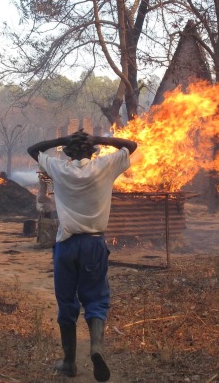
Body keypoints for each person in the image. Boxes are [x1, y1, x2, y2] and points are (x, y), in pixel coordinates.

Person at [27, 129, 137, 381]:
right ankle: (96, 347)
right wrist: (99, 139)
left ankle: (68, 363)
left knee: (67, 301)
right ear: (93, 151)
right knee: (96, 298)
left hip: (66, 245)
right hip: (94, 244)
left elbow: (33, 150)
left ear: (68, 153)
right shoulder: (104, 166)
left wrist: (61, 140)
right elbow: (130, 145)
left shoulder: (59, 169)